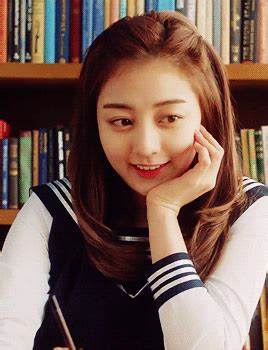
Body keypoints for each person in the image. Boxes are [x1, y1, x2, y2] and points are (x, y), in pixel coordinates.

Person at [0, 10, 268, 350]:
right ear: (94, 124)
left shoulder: (247, 208)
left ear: (208, 116)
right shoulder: (53, 210)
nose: (145, 147)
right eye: (121, 121)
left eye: (169, 118)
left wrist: (163, 210)